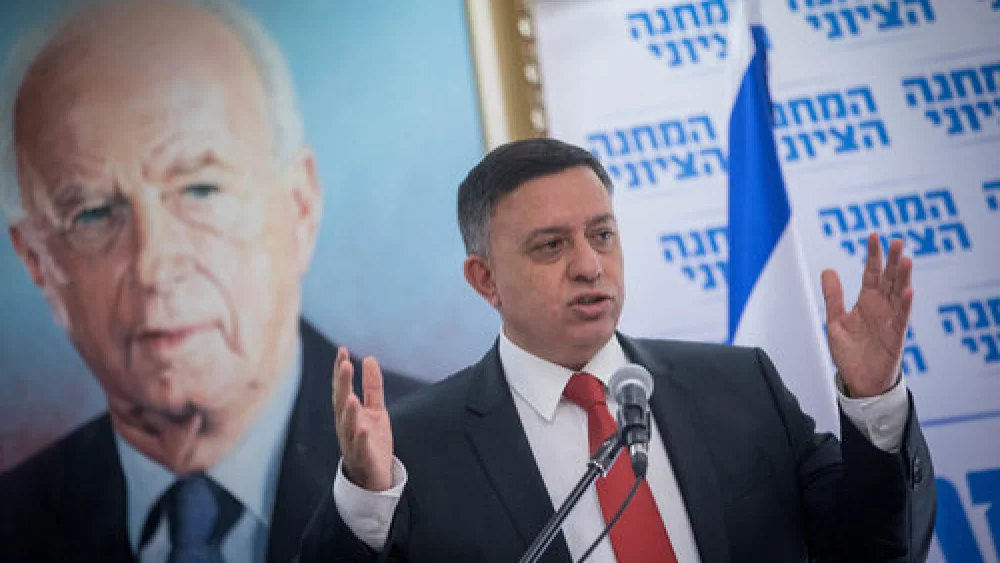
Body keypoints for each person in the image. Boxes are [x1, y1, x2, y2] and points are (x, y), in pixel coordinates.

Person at [299, 138, 936, 562]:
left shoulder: (740, 387)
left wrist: (875, 400)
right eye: (550, 246)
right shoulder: (413, 449)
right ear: (484, 279)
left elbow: (878, 548)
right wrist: (364, 499)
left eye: (601, 234)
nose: (588, 265)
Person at [0, 1, 422, 561]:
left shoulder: (443, 456)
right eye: (94, 214)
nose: (154, 266)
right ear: (36, 259)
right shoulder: (14, 521)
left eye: (200, 190)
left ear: (300, 207)